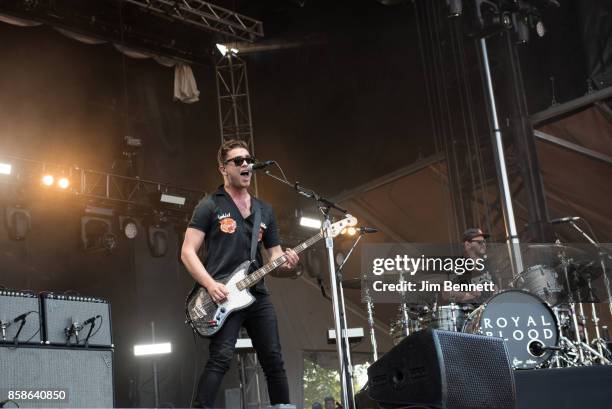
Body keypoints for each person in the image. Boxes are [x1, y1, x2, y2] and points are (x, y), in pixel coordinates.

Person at [181, 139, 299, 408]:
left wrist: (288, 261)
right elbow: (187, 252)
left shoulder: (264, 210)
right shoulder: (209, 205)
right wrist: (210, 285)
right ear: (223, 168)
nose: (246, 164)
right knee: (221, 358)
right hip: (222, 295)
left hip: (256, 293)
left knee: (273, 358)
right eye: (238, 161)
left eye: (248, 159)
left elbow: (275, 255)